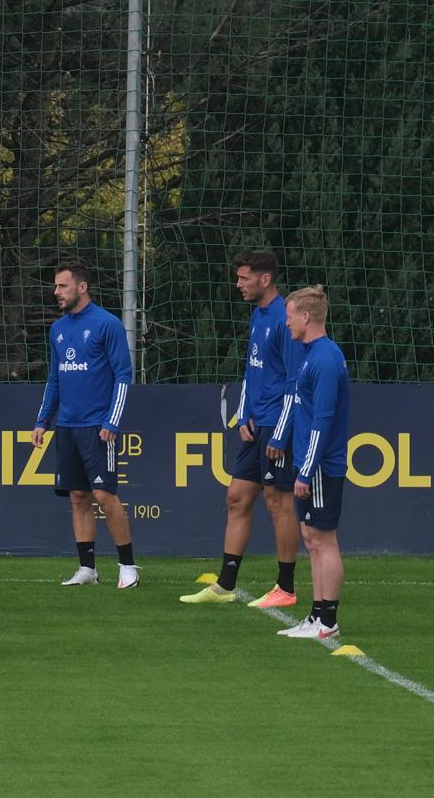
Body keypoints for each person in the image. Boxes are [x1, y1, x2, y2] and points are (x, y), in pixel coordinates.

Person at [182, 251, 303, 606]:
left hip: (278, 424)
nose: (238, 284)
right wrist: (243, 412)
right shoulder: (258, 316)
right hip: (255, 422)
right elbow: (254, 369)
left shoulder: (285, 318)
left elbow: (294, 382)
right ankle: (225, 585)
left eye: (243, 278)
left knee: (277, 503)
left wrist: (280, 433)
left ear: (264, 280)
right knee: (236, 497)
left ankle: (286, 588)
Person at [32, 260, 139, 588]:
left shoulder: (107, 324)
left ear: (82, 287)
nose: (56, 292)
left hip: (98, 427)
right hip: (67, 427)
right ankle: (87, 568)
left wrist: (112, 420)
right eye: (55, 286)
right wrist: (42, 421)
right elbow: (54, 378)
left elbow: (124, 375)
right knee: (78, 497)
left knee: (104, 496)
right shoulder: (58, 329)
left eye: (62, 286)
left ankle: (128, 567)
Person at [276, 286, 350, 639]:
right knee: (311, 537)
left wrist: (306, 469)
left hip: (319, 465)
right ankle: (317, 616)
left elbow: (323, 420)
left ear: (306, 317)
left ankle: (327, 621)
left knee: (322, 538)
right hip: (310, 461)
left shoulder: (323, 359)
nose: (286, 321)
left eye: (290, 315)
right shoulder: (312, 354)